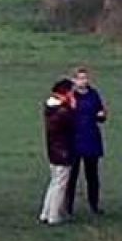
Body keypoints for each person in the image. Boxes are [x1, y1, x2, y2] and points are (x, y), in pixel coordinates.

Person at [68, 66, 110, 215]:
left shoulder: (94, 95)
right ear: (74, 80)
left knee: (92, 175)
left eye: (85, 78)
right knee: (71, 176)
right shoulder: (70, 97)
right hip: (74, 141)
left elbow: (101, 114)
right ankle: (68, 207)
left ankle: (94, 205)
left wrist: (101, 115)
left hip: (91, 139)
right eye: (80, 78)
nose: (83, 81)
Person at [43, 79, 80, 226]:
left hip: (54, 151)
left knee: (54, 182)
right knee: (60, 185)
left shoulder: (50, 107)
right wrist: (72, 107)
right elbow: (71, 124)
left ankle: (46, 212)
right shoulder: (63, 111)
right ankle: (54, 216)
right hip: (63, 151)